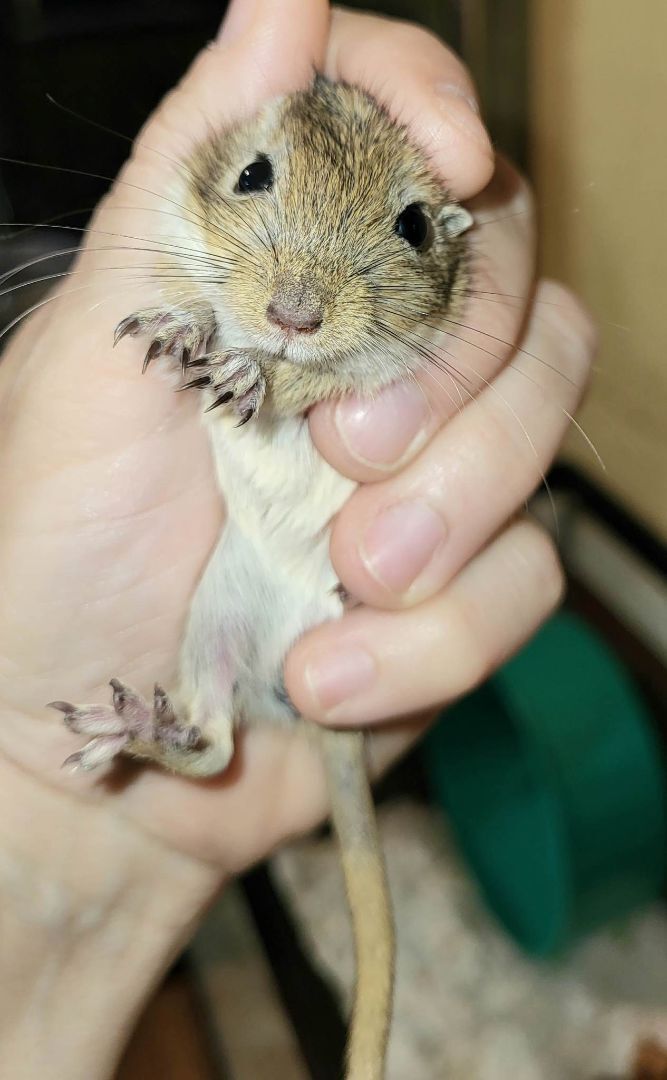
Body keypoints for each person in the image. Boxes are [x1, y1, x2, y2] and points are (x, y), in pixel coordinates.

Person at [0, 2, 595, 1076]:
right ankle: (201, 729)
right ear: (228, 155)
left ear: (447, 249)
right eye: (263, 184)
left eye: (409, 230)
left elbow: (329, 362)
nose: (296, 297)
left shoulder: (401, 323)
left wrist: (273, 377)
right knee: (219, 621)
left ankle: (198, 723)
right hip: (246, 601)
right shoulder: (183, 240)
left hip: (317, 594)